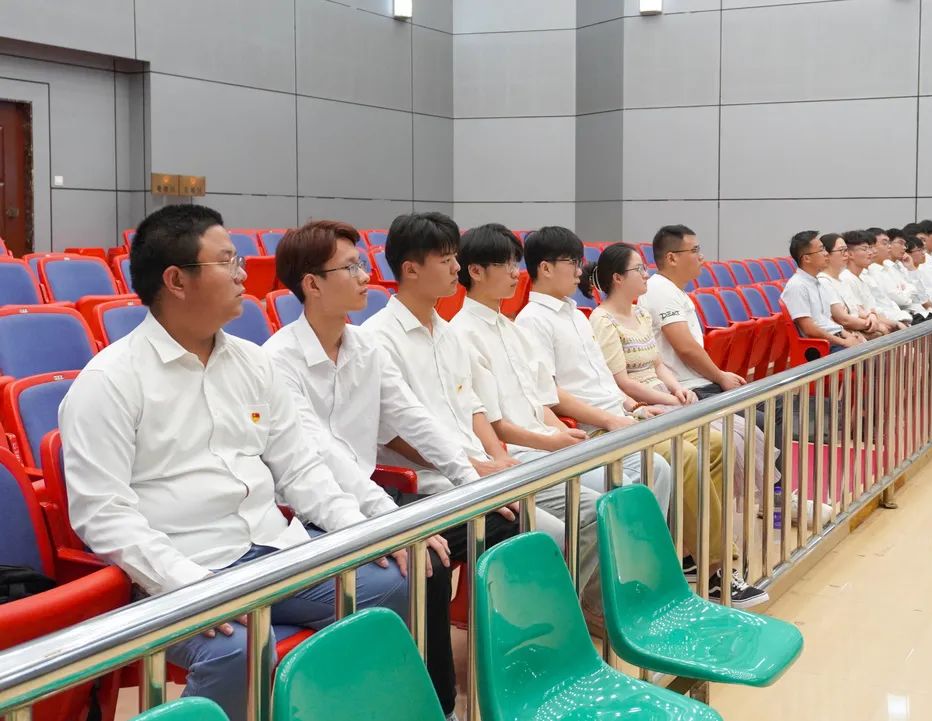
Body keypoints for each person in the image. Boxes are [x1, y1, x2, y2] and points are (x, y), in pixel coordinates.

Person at [59, 205, 411, 721]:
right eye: (227, 261)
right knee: (237, 648)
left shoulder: (253, 362)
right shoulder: (109, 382)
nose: (244, 273)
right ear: (176, 280)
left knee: (390, 580)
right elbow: (103, 514)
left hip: (272, 552)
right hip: (180, 567)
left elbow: (301, 468)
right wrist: (192, 586)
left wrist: (362, 534)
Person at [263, 219, 521, 717]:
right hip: (307, 511)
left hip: (368, 497)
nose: (366, 276)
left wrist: (473, 485)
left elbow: (415, 419)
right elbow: (321, 454)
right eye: (351, 267)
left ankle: (503, 668)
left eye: (362, 263)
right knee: (428, 563)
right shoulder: (278, 359)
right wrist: (392, 524)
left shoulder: (364, 347)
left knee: (501, 520)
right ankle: (438, 702)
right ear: (312, 284)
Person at [360, 213, 605, 611]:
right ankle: (528, 631)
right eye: (446, 260)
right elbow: (394, 435)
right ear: (411, 269)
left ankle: (545, 625)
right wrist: (475, 467)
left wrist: (494, 460)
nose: (456, 268)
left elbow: (473, 406)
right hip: (427, 484)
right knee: (552, 534)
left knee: (570, 515)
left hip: (473, 473)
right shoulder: (378, 339)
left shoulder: (446, 333)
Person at [515, 226, 768, 608]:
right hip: (594, 427)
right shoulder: (533, 320)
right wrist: (610, 418)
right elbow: (551, 394)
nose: (580, 270)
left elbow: (604, 379)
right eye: (572, 262)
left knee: (715, 443)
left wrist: (632, 406)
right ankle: (716, 566)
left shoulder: (575, 315)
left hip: (621, 414)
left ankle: (689, 554)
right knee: (684, 457)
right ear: (546, 268)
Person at [449, 223, 675, 616]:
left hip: (547, 445)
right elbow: (492, 425)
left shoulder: (511, 329)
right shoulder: (463, 334)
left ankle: (618, 591)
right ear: (475, 271)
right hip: (519, 455)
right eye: (506, 265)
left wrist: (567, 439)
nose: (515, 273)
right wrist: (554, 442)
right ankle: (575, 610)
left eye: (515, 263)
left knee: (651, 471)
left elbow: (541, 403)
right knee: (598, 509)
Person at [584, 242, 786, 527]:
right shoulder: (603, 320)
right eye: (639, 269)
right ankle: (695, 530)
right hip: (641, 402)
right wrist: (669, 399)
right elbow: (621, 381)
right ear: (618, 278)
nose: (646, 274)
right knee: (718, 437)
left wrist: (676, 389)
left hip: (663, 392)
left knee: (738, 432)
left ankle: (710, 525)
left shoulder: (641, 314)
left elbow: (658, 364)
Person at [636, 225, 747, 399]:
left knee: (774, 405)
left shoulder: (673, 289)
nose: (701, 257)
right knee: (769, 412)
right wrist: (720, 377)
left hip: (700, 383)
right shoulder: (660, 289)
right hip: (688, 390)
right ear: (672, 258)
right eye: (695, 250)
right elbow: (686, 348)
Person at [780, 230, 863, 351]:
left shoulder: (818, 282)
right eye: (821, 250)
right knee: (868, 356)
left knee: (871, 349)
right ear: (807, 258)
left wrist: (849, 336)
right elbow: (809, 329)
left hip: (834, 339)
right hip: (822, 347)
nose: (826, 254)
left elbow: (827, 321)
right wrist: (844, 342)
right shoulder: (797, 286)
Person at [817, 233, 885, 337]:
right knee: (883, 332)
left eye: (846, 250)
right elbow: (843, 320)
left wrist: (871, 315)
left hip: (859, 328)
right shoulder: (824, 282)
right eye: (841, 250)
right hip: (848, 334)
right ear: (827, 254)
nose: (846, 254)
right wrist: (872, 325)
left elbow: (858, 309)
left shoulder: (841, 280)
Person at [839, 230, 908, 330]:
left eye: (870, 248)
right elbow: (858, 315)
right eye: (865, 249)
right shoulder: (845, 279)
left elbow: (873, 312)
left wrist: (895, 324)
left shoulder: (862, 278)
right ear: (850, 254)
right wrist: (893, 324)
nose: (871, 253)